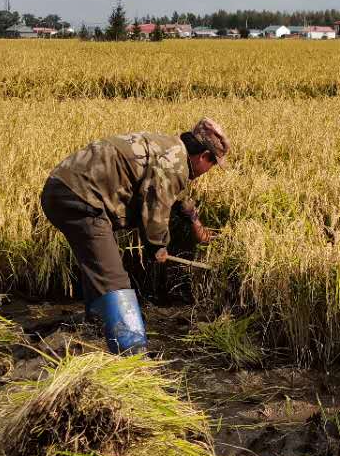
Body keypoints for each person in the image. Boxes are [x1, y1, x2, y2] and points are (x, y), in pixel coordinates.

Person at [41, 118, 228, 354]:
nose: (207, 172)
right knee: (114, 279)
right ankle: (132, 354)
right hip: (79, 198)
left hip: (64, 189)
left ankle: (96, 329)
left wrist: (187, 213)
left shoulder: (168, 146)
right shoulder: (175, 164)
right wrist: (158, 247)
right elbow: (155, 208)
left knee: (99, 266)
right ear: (204, 156)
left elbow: (153, 188)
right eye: (212, 165)